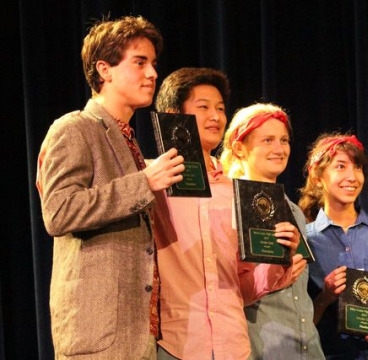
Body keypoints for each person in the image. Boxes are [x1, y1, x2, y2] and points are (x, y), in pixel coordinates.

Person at [36, 16, 185, 359]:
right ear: (104, 69)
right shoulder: (74, 129)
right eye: (140, 62)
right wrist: (144, 183)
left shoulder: (128, 140)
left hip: (138, 335)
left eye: (153, 64)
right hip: (98, 335)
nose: (152, 74)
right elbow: (58, 213)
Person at [153, 69, 302, 360]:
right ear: (174, 114)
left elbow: (242, 288)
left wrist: (278, 262)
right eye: (204, 107)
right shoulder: (154, 181)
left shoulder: (237, 192)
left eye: (220, 109)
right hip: (177, 345)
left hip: (233, 346)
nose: (216, 117)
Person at [220, 103, 325, 359]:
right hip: (260, 349)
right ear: (239, 148)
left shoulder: (294, 210)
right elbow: (224, 290)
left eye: (284, 140)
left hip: (306, 349)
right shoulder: (226, 205)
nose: (279, 149)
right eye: (267, 140)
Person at [298, 133, 368, 359]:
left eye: (357, 167)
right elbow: (300, 319)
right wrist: (325, 297)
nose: (352, 176)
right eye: (341, 166)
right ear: (318, 177)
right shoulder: (306, 240)